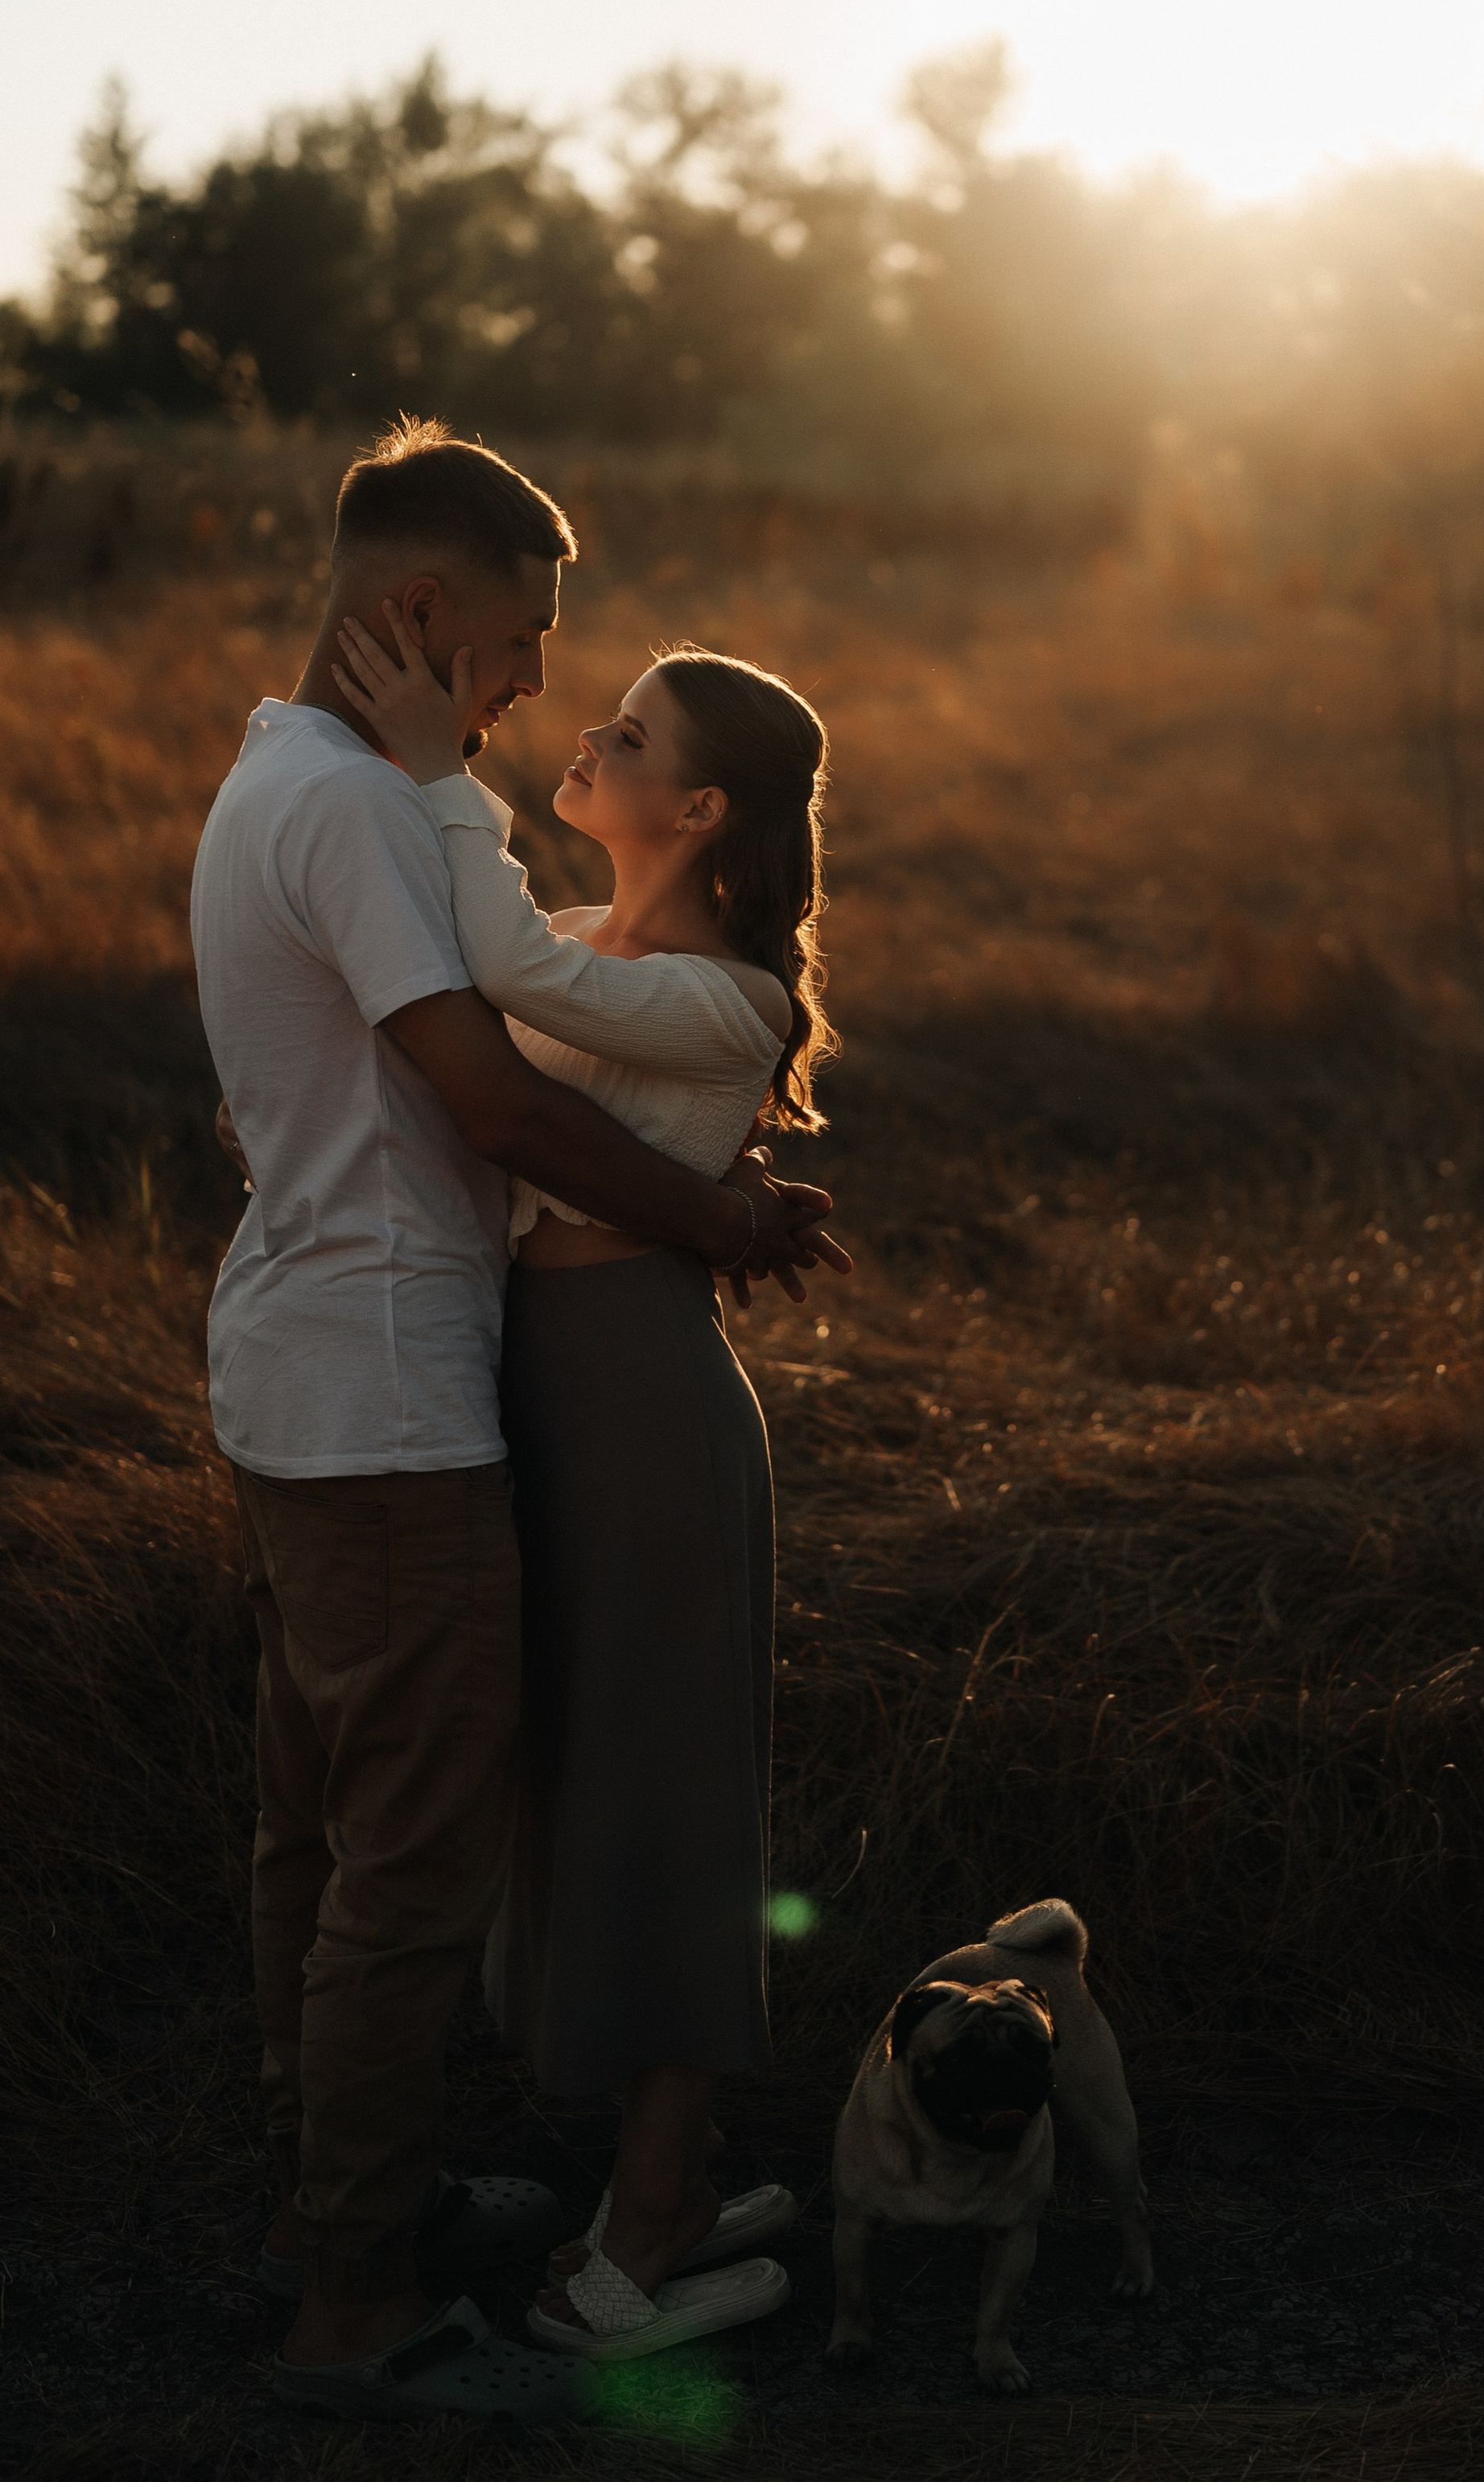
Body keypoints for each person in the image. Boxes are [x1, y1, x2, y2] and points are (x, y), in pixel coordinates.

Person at [189, 420, 847, 2425]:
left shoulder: (288, 778)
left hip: (380, 1372)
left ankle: (367, 2216)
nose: (539, 684)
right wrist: (726, 1216)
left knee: (348, 1831)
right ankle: (355, 2286)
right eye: (525, 635)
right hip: (388, 1385)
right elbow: (504, 1098)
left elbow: (546, 1035)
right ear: (417, 614)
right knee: (391, 1856)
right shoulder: (378, 806)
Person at [326, 604, 835, 2364]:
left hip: (642, 1401)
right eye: (601, 727)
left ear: (698, 814)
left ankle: (650, 2209)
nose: (590, 748)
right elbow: (483, 991)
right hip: (548, 1386)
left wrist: (431, 764)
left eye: (627, 739)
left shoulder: (724, 994)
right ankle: (671, 2164)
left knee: (665, 1794)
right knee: (581, 1779)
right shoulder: (576, 931)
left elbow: (519, 990)